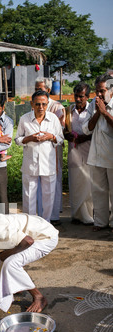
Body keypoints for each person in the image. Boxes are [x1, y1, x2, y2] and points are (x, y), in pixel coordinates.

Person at [15, 90, 64, 222]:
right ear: (32, 104)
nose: (40, 107)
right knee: (29, 196)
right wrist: (29, 138)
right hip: (30, 164)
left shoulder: (53, 119)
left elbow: (60, 138)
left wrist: (51, 137)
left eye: (43, 104)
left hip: (48, 164)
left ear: (47, 104)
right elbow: (17, 139)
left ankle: (46, 223)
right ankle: (31, 225)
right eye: (37, 104)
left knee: (48, 196)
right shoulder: (24, 119)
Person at [82, 73, 113, 232]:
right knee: (98, 192)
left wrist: (106, 112)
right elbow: (86, 129)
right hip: (96, 156)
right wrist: (97, 112)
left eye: (102, 91)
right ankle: (100, 222)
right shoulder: (93, 105)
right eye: (97, 91)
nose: (99, 95)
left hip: (111, 157)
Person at [35, 78, 65, 225]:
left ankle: (54, 215)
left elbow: (61, 129)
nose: (38, 91)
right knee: (40, 182)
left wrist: (48, 135)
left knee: (54, 179)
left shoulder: (57, 107)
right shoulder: (36, 105)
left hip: (53, 147)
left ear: (48, 90)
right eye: (36, 88)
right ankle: (42, 214)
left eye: (40, 88)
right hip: (37, 149)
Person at [64, 82, 93, 225]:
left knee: (88, 185)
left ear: (87, 96)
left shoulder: (92, 111)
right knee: (75, 184)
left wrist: (85, 137)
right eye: (76, 96)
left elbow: (98, 131)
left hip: (89, 152)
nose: (78, 99)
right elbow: (63, 130)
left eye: (81, 96)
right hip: (74, 152)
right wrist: (67, 136)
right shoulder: (69, 110)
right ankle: (76, 215)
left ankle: (88, 216)